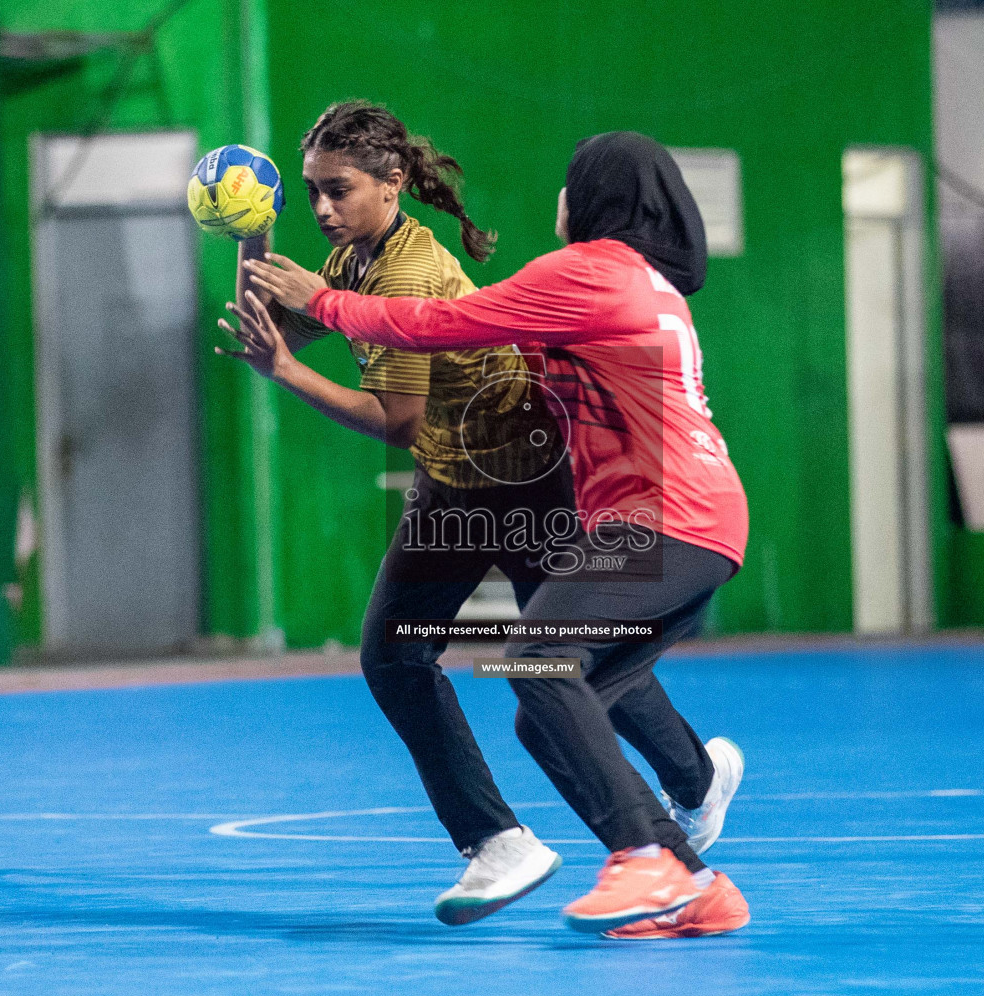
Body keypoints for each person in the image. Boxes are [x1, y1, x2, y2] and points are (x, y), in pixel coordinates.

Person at [218, 105, 742, 928]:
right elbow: (281, 325)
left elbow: (411, 376)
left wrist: (296, 350)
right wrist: (249, 236)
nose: (321, 207)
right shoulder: (618, 275)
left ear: (393, 184)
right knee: (545, 682)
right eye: (312, 192)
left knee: (543, 664)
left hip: (558, 486)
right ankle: (673, 845)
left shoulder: (577, 272)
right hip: (502, 477)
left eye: (337, 189)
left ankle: (645, 853)